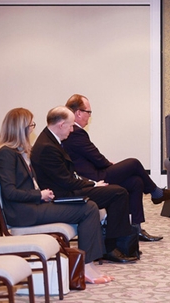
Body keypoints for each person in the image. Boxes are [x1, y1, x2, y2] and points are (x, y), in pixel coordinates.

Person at [0, 108, 113, 283]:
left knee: (87, 204)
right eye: (30, 125)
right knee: (88, 209)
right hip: (24, 213)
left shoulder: (17, 151)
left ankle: (88, 264)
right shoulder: (6, 154)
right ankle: (85, 267)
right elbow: (9, 192)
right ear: (20, 128)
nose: (32, 129)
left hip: (33, 206)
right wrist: (39, 195)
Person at [63, 94, 170, 242]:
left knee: (136, 181)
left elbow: (90, 156)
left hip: (95, 172)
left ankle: (136, 228)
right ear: (78, 113)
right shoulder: (75, 132)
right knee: (133, 163)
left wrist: (107, 164)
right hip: (93, 178)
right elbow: (95, 156)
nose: (89, 116)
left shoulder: (75, 132)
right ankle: (157, 193)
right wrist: (108, 164)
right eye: (88, 112)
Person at [31, 106, 138, 263]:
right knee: (118, 193)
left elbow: (68, 176)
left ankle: (113, 245)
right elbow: (66, 182)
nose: (72, 130)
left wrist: (92, 183)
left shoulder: (50, 140)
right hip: (63, 195)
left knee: (118, 191)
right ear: (61, 125)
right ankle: (111, 247)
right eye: (71, 125)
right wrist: (92, 185)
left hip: (66, 189)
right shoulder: (48, 147)